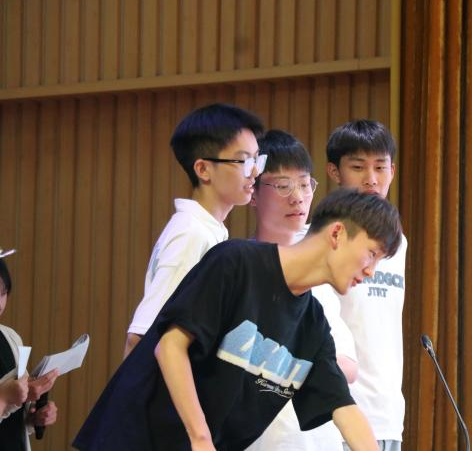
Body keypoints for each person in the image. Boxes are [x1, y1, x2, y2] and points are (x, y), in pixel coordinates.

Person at [72, 189, 401, 451]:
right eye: (371, 253)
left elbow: (343, 407)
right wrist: (200, 439)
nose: (371, 271)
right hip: (135, 439)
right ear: (337, 234)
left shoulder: (313, 325)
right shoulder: (236, 263)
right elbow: (169, 347)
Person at [245, 130, 357, 451]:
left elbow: (348, 367)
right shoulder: (236, 267)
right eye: (283, 185)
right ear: (252, 193)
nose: (297, 197)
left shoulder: (317, 272)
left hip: (317, 440)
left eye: (305, 184)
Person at [124, 103, 266, 357]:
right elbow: (141, 335)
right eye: (244, 161)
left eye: (257, 159)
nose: (254, 171)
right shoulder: (191, 234)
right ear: (203, 169)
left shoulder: (210, 231)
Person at [326, 120, 408, 451]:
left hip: (388, 415)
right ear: (334, 172)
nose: (371, 179)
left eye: (380, 167)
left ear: (392, 171)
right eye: (358, 167)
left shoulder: (399, 243)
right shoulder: (323, 239)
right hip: (338, 415)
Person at [0, 256, 59, 450]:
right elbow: (8, 400)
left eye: (2, 294)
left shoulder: (10, 337)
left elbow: (16, 416)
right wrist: (5, 397)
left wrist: (35, 416)